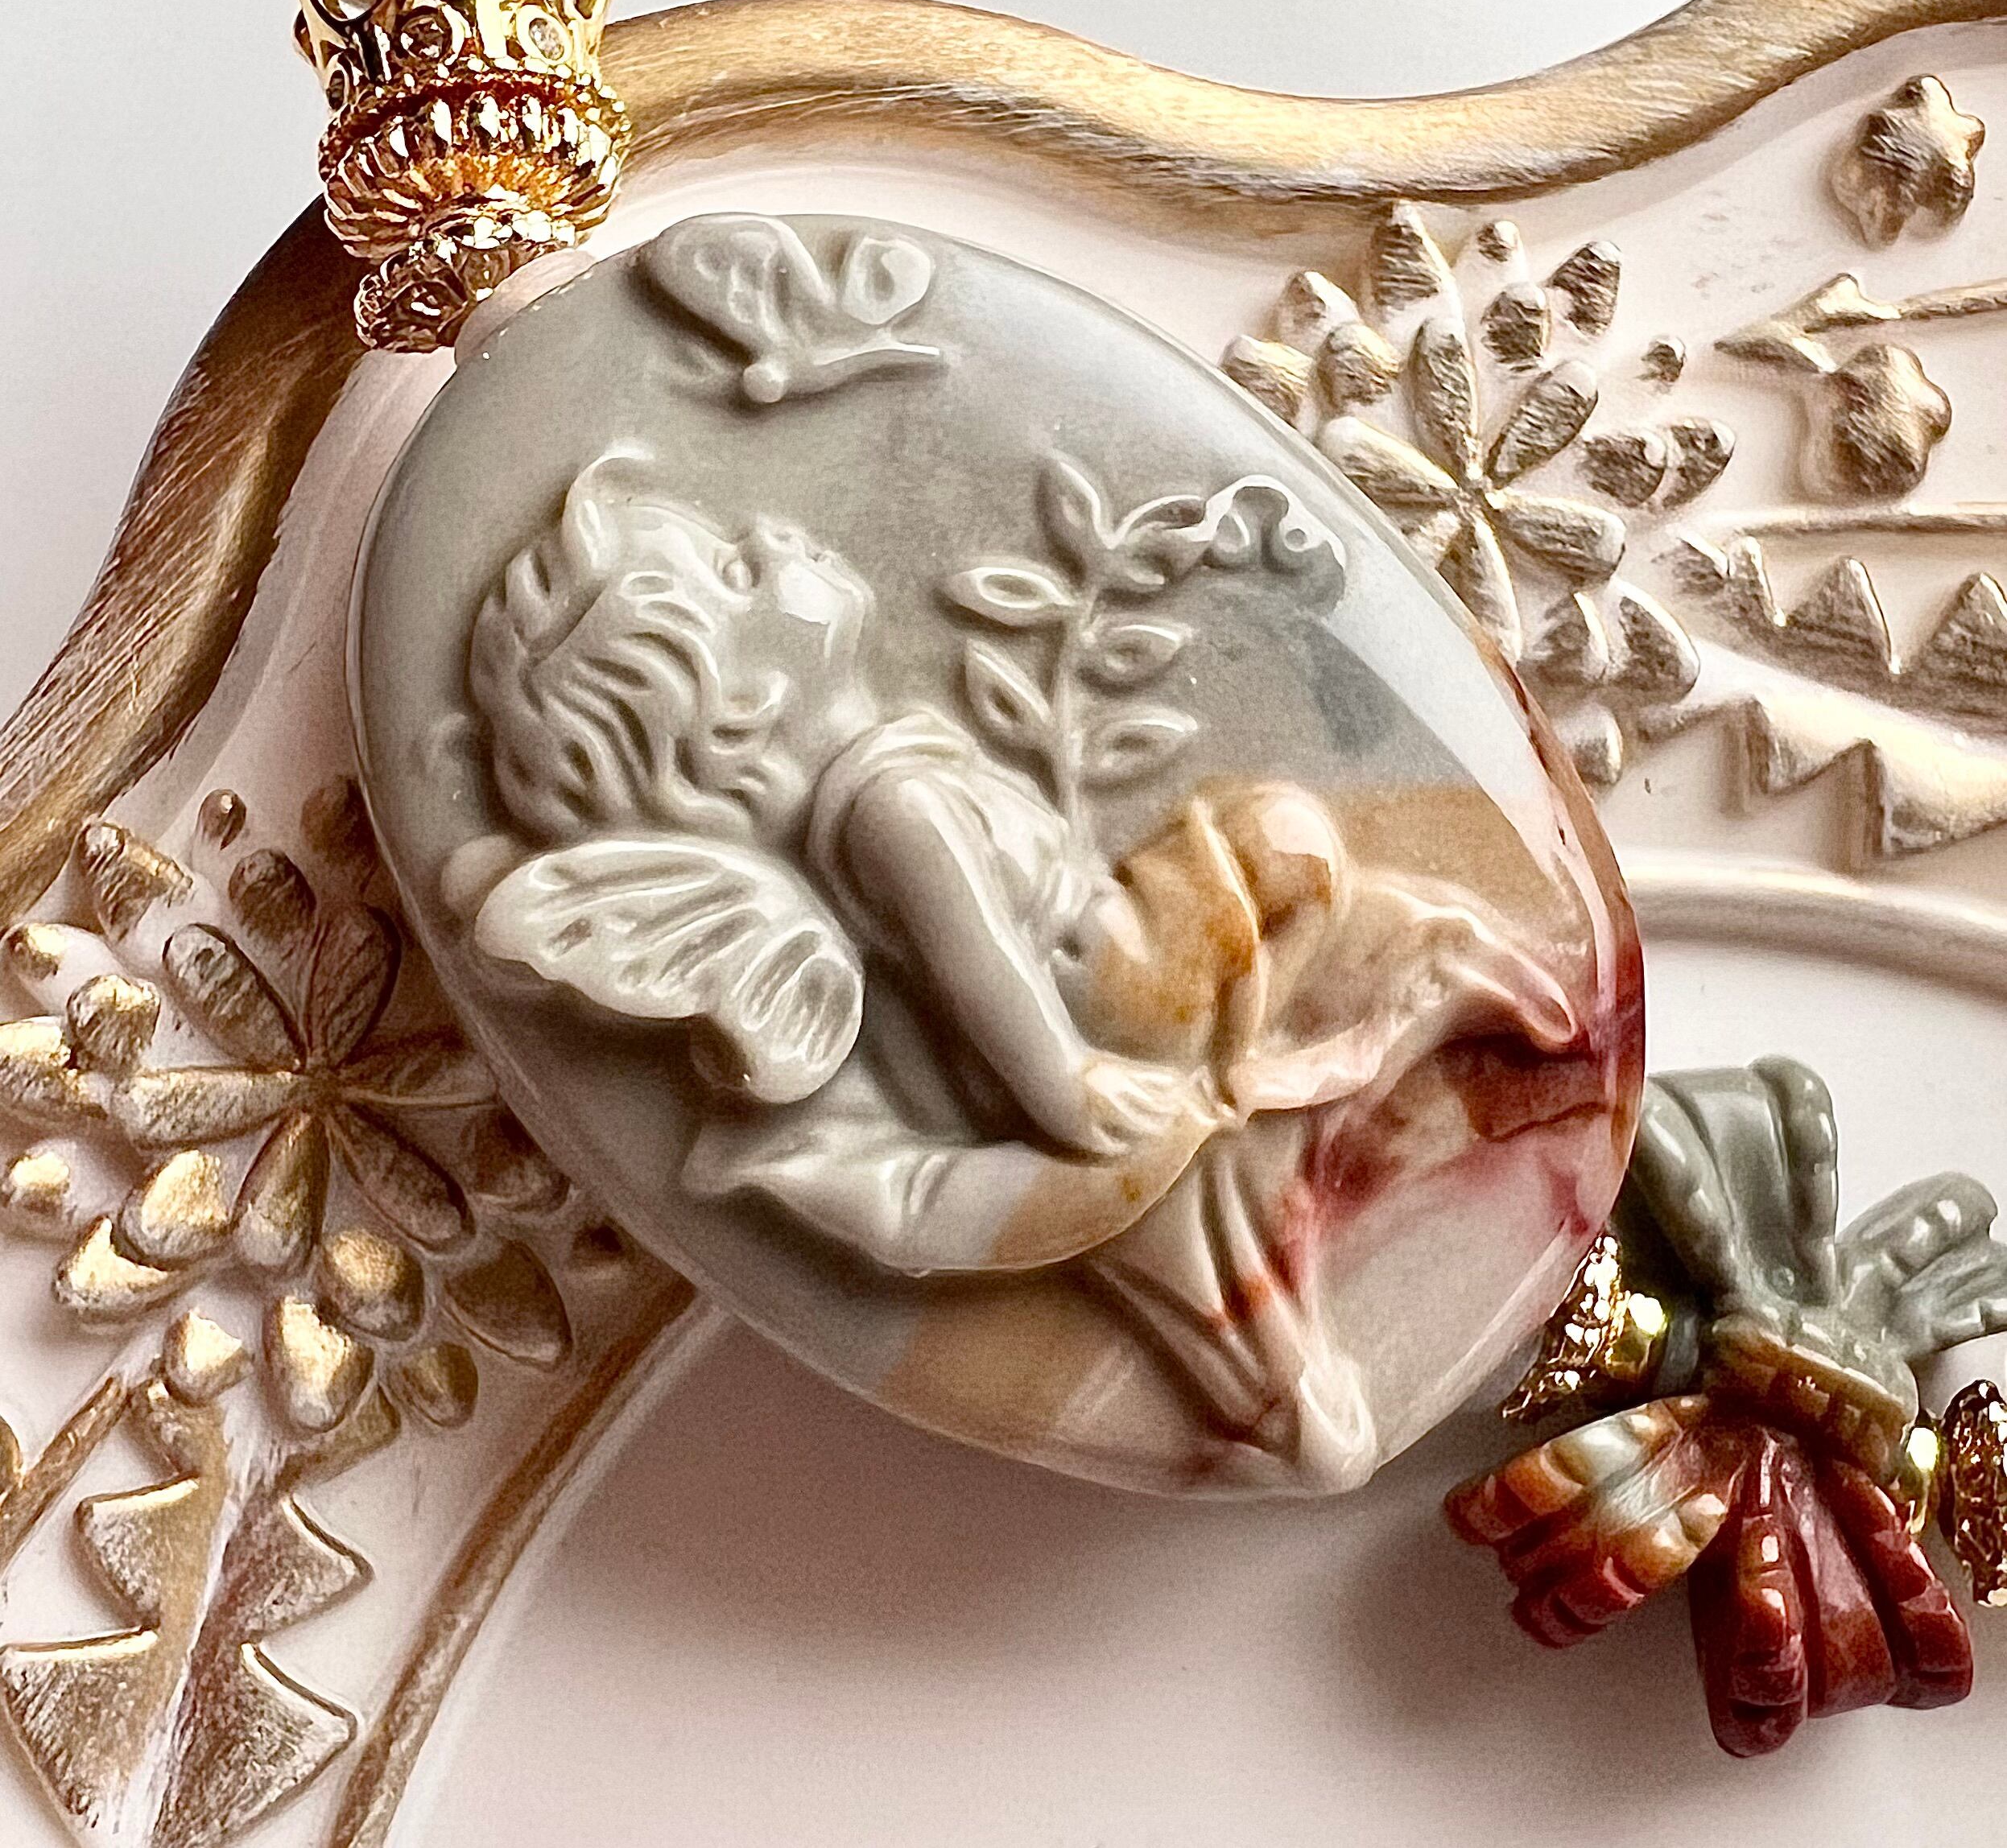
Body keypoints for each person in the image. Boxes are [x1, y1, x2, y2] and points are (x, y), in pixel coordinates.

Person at [465, 452, 1592, 1487]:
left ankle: (1341, 1072)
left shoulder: (884, 784)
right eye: (734, 572)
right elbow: (982, 964)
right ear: (741, 707)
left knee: (1288, 865)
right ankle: (1384, 1020)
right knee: (1280, 838)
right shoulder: (892, 804)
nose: (767, 537)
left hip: (1111, 958)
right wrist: (1067, 1083)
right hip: (1116, 980)